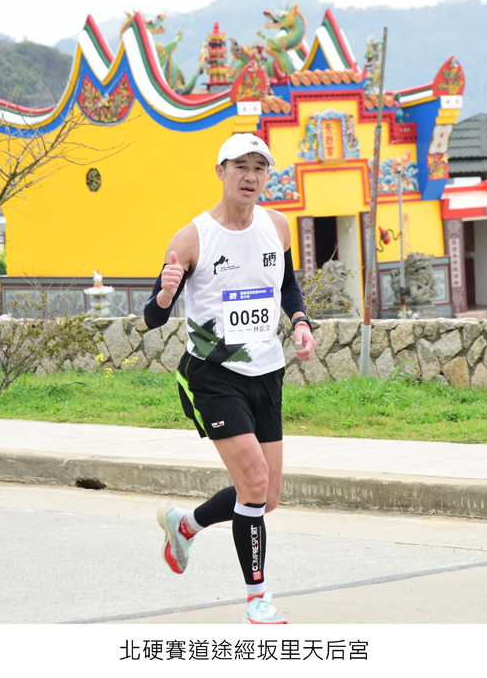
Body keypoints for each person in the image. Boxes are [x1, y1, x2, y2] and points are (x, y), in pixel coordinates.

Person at [143, 133, 316, 624]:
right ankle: (257, 600)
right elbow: (154, 316)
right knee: (255, 482)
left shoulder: (277, 226)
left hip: (268, 371)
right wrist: (164, 296)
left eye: (259, 167)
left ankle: (185, 525)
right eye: (240, 166)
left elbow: (288, 287)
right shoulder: (192, 238)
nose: (250, 176)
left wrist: (300, 322)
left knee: (266, 495)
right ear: (220, 171)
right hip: (214, 375)